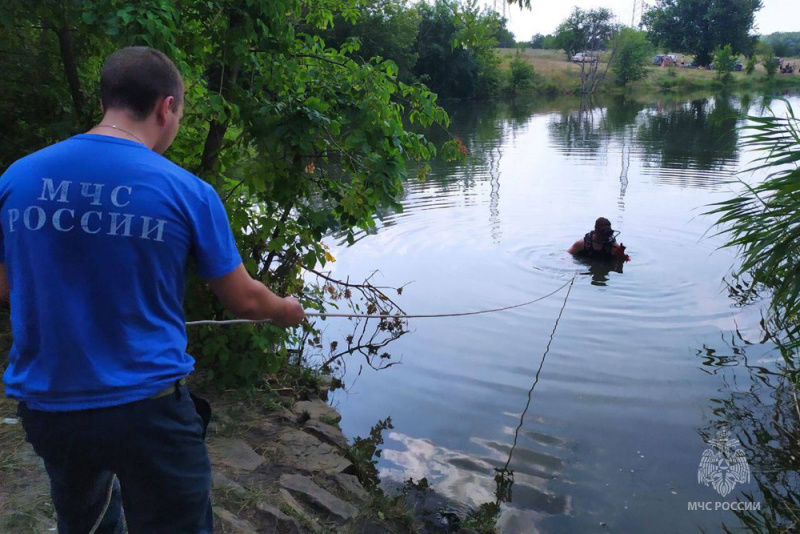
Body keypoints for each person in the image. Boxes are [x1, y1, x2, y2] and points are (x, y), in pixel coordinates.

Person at [0, 47, 305, 533]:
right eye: (180, 114)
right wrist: (285, 310)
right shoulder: (186, 191)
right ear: (167, 108)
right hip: (148, 412)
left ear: (106, 99)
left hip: (51, 408)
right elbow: (245, 300)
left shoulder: (18, 177)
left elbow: (8, 285)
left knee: (86, 522)